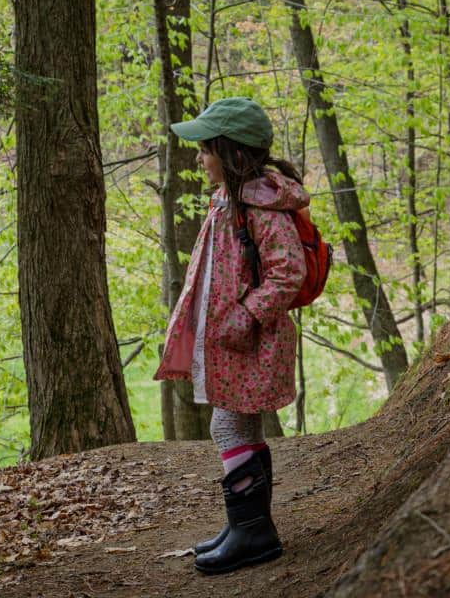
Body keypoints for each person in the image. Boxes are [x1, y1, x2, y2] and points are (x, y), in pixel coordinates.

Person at [153, 97, 308, 574]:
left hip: (252, 341)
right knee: (241, 427)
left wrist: (244, 315)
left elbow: (288, 271)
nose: (200, 160)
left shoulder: (261, 206)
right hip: (236, 341)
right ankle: (245, 525)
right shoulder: (232, 201)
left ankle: (252, 532)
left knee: (226, 426)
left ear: (232, 153)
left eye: (206, 151)